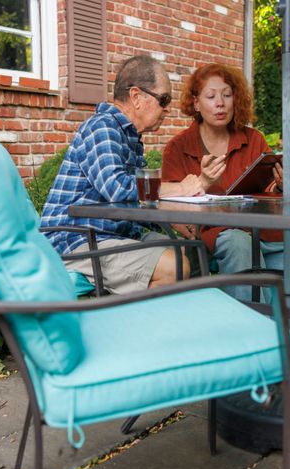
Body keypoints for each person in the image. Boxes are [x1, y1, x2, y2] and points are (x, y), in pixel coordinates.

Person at [161, 63, 290, 363]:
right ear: (195, 102)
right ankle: (255, 352)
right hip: (218, 234)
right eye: (211, 96)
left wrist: (279, 185)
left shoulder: (253, 139)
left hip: (263, 230)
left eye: (227, 95)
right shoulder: (178, 148)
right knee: (238, 244)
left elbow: (267, 197)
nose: (220, 103)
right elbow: (170, 204)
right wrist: (203, 184)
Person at [41, 56, 204, 294]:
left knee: (181, 251)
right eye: (164, 99)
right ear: (136, 96)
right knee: (174, 267)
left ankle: (145, 320)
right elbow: (117, 188)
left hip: (108, 236)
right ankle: (132, 326)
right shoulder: (102, 127)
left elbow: (129, 202)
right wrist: (180, 188)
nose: (167, 108)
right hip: (74, 242)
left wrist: (170, 221)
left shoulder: (128, 136)